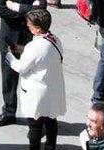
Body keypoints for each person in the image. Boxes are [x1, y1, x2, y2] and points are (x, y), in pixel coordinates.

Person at [0, 0, 48, 126]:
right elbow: (0, 10)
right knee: (9, 78)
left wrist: (16, 7)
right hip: (9, 39)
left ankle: (34, 115)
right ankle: (9, 112)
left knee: (32, 79)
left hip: (30, 40)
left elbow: (42, 11)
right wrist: (29, 10)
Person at [7, 8, 66, 150]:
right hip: (52, 89)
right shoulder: (54, 39)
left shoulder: (35, 47)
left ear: (38, 28)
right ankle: (50, 147)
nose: (28, 26)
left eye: (30, 25)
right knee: (51, 121)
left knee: (35, 126)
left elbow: (21, 67)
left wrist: (9, 56)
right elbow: (42, 56)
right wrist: (24, 49)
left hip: (37, 93)